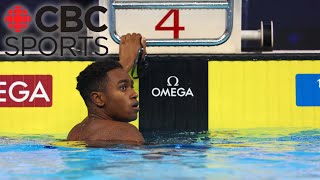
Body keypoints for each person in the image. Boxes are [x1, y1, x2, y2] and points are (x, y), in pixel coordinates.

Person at [67, 33, 146, 145]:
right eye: (123, 88)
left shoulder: (75, 132)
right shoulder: (126, 132)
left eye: (131, 87)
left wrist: (125, 63)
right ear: (98, 99)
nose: (134, 94)